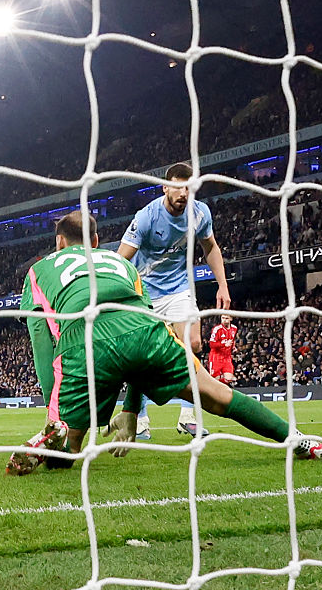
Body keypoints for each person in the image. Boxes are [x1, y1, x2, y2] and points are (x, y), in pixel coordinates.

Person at [6, 211, 322, 475]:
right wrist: (131, 409)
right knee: (218, 396)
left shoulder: (38, 270)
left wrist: (54, 409)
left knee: (67, 453)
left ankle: (55, 437)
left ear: (59, 242)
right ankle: (298, 439)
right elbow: (140, 335)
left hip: (85, 342)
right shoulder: (121, 263)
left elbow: (40, 336)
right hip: (147, 332)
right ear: (96, 240)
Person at [116, 162, 231, 440]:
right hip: (145, 293)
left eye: (188, 188)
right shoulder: (147, 217)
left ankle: (188, 416)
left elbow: (211, 247)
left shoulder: (200, 213)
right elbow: (121, 259)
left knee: (193, 343)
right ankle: (140, 417)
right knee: (141, 357)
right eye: (178, 186)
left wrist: (223, 285)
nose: (183, 193)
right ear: (165, 187)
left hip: (178, 289)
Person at [209, 314, 238, 384]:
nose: (224, 320)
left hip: (227, 357)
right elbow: (211, 344)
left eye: (226, 318)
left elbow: (232, 339)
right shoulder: (217, 329)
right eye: (222, 318)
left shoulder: (234, 328)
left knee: (229, 379)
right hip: (216, 357)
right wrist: (224, 344)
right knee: (214, 381)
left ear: (231, 319)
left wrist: (233, 347)